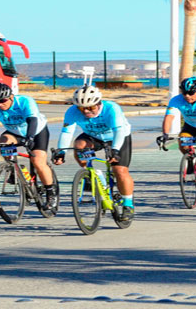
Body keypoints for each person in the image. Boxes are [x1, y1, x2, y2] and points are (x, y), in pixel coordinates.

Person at [0, 83, 58, 212]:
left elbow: (32, 120)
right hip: (14, 132)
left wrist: (30, 138)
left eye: (3, 101)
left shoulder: (25, 101)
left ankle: (51, 193)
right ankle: (12, 167)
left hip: (36, 131)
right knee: (3, 142)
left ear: (11, 96)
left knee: (38, 161)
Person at [53, 85, 135, 221]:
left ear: (99, 103)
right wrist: (60, 152)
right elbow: (67, 132)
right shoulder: (72, 111)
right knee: (79, 145)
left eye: (90, 108)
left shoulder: (111, 108)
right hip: (93, 137)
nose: (86, 111)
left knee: (119, 170)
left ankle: (128, 204)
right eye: (82, 108)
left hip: (117, 137)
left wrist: (115, 151)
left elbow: (119, 131)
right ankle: (89, 174)